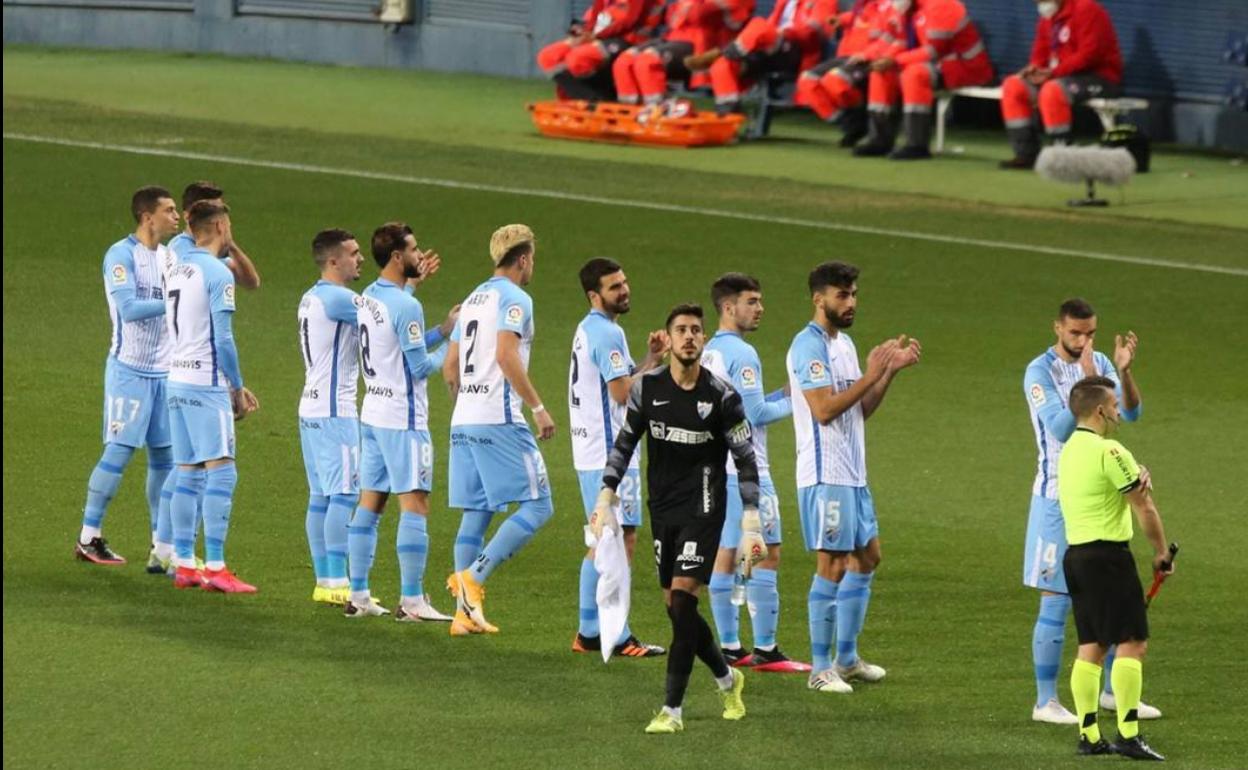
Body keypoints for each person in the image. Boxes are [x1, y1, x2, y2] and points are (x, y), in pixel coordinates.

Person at [591, 303, 757, 734]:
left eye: (696, 330)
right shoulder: (647, 390)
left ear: (703, 340)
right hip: (663, 508)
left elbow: (746, 459)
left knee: (683, 599)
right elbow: (625, 444)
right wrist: (605, 496)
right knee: (675, 608)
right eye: (681, 329)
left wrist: (752, 522)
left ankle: (672, 711)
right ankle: (727, 677)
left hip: (704, 508)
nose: (689, 337)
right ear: (669, 337)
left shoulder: (722, 396)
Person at [786, 261, 920, 694]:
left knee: (868, 557)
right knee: (832, 564)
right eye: (842, 295)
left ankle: (846, 659)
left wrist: (887, 373)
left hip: (854, 474)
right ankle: (820, 668)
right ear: (818, 298)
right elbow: (824, 410)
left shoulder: (843, 344)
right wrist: (870, 373)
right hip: (825, 474)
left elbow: (859, 409)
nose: (851, 302)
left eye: (854, 294)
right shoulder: (807, 348)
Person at [1023, 298, 1158, 724]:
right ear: (1057, 328)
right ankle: (1045, 701)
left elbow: (1132, 412)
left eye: (1091, 333)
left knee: (1111, 592)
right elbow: (1063, 428)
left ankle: (1112, 692)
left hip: (1098, 494)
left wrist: (1122, 372)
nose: (1085, 342)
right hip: (1054, 499)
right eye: (1076, 333)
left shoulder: (1099, 360)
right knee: (1056, 599)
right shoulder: (1038, 372)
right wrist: (1085, 380)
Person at [443, 225, 556, 636]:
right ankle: (473, 578)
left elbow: (449, 367)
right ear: (523, 259)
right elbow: (506, 356)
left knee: (478, 512)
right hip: (499, 417)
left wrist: (467, 408)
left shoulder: (473, 297)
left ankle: (462, 614)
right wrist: (539, 408)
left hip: (464, 419)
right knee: (540, 505)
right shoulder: (516, 298)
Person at [346, 223, 457, 621]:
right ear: (397, 257)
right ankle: (412, 602)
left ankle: (358, 596)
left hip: (372, 414)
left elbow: (396, 343)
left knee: (371, 504)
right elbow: (419, 366)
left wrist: (440, 328)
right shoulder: (405, 306)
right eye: (413, 250)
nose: (419, 255)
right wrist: (454, 341)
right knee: (416, 504)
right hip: (403, 419)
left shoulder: (369, 297)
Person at [1058, 376, 1170, 760]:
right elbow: (1144, 506)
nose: (1120, 411)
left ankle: (1089, 735)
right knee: (1132, 643)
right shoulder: (1110, 451)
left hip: (1076, 559)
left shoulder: (1068, 450)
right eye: (1116, 405)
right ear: (1101, 409)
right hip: (1109, 559)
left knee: (1092, 645)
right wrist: (1160, 552)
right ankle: (1128, 734)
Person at [154, 180, 262, 572]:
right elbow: (224, 339)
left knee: (187, 470)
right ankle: (215, 567)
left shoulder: (181, 268)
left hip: (176, 378)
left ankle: (183, 562)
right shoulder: (217, 274)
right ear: (220, 227)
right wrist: (236, 386)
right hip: (205, 381)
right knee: (222, 470)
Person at [701, 273, 805, 671]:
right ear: (729, 307)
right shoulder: (743, 354)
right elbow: (757, 413)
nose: (760, 309)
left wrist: (784, 393)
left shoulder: (711, 350)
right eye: (752, 301)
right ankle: (766, 649)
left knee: (728, 555)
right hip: (747, 469)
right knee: (767, 555)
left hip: (718, 467)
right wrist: (802, 402)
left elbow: (750, 402)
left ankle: (730, 645)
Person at [75, 186, 180, 566]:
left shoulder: (170, 257)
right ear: (147, 216)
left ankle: (160, 544)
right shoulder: (120, 256)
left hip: (164, 373)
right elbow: (130, 309)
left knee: (164, 459)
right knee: (119, 452)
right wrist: (174, 302)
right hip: (129, 371)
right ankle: (89, 537)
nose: (176, 216)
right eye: (169, 211)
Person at [568, 258, 667, 658]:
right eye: (614, 287)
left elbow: (625, 381)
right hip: (610, 455)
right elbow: (625, 394)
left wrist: (651, 360)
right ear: (595, 295)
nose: (624, 291)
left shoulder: (593, 328)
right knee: (615, 542)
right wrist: (668, 370)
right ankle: (611, 633)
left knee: (609, 539)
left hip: (594, 451)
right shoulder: (607, 333)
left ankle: (592, 632)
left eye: (624, 283)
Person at [296, 229, 364, 606]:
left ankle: (326, 580)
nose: (361, 259)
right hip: (335, 412)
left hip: (311, 407)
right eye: (354, 254)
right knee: (344, 496)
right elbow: (385, 323)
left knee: (321, 497)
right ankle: (338, 581)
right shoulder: (340, 298)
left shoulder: (312, 296)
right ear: (334, 261)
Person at [853, 0, 993, 160]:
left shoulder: (943, 5)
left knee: (914, 74)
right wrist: (881, 58)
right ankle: (879, 140)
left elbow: (933, 50)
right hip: (936, 65)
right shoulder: (906, 7)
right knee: (880, 74)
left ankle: (916, 145)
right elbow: (900, 41)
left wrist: (896, 61)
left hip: (965, 67)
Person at [1000, 0, 1123, 169]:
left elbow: (1090, 55)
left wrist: (1052, 73)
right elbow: (1040, 52)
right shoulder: (1048, 16)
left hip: (1098, 77)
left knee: (1052, 91)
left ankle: (1063, 158)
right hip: (1060, 76)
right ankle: (1026, 155)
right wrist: (1034, 69)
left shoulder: (1087, 8)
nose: (1039, 3)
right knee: (1013, 85)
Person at [694, 0, 839, 115]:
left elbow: (817, 32)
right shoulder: (783, 2)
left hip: (795, 51)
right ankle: (727, 111)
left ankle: (732, 50)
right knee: (722, 64)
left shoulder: (825, 1)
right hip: (767, 48)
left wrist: (784, 33)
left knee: (759, 24)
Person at [612, 0, 753, 106]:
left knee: (647, 61)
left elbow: (701, 14)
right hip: (672, 37)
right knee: (624, 61)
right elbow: (672, 18)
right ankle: (630, 109)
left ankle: (657, 110)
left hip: (704, 45)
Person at [795, 0, 892, 145]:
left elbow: (892, 37)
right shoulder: (863, 5)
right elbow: (859, 17)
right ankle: (848, 124)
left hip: (869, 58)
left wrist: (867, 54)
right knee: (807, 80)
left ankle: (858, 120)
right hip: (846, 55)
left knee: (836, 79)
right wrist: (840, 19)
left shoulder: (890, 6)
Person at [536, 0, 665, 102]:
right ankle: (582, 97)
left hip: (628, 39)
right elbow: (595, 16)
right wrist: (586, 33)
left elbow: (631, 21)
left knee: (578, 58)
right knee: (548, 56)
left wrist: (597, 36)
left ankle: (599, 99)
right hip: (600, 36)